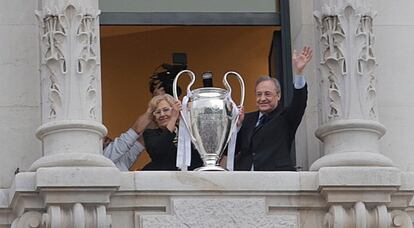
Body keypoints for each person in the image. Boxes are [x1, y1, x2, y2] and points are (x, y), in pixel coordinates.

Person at [234, 46, 313, 171]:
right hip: (245, 180)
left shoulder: (286, 117)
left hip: (275, 179)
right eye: (259, 94)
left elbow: (299, 101)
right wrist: (237, 126)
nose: (262, 98)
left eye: (268, 94)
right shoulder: (247, 119)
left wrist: (299, 73)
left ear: (278, 96)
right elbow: (233, 149)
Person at [142, 94, 203, 170]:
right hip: (162, 178)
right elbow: (159, 149)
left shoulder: (188, 132)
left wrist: (193, 114)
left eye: (166, 110)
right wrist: (173, 118)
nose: (162, 114)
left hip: (191, 178)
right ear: (154, 118)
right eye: (157, 112)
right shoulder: (150, 134)